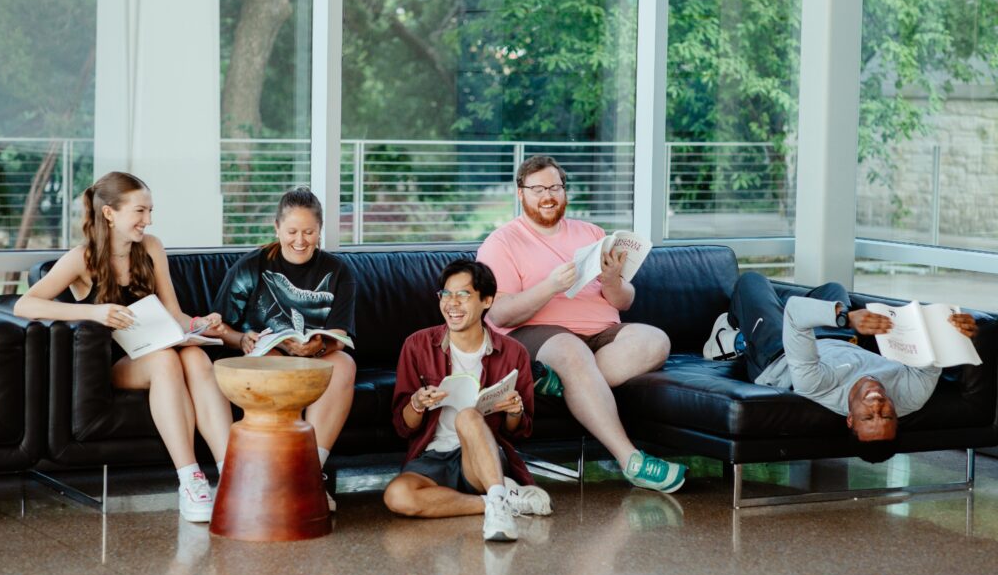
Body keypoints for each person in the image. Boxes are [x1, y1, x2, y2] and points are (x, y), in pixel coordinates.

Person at [14, 171, 232, 523]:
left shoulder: (152, 248)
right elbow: (25, 305)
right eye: (140, 211)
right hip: (121, 362)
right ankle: (190, 480)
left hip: (161, 345)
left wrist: (203, 324)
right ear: (109, 213)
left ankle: (233, 474)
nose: (148, 220)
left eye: (150, 211)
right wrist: (95, 311)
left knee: (195, 357)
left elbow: (174, 314)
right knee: (166, 361)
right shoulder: (82, 259)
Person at [476, 155, 686, 493]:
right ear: (521, 193)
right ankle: (630, 459)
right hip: (537, 336)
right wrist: (551, 286)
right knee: (572, 352)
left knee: (655, 340)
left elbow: (623, 301)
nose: (549, 196)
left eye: (556, 187)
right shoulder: (501, 243)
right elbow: (498, 315)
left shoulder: (592, 233)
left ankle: (561, 382)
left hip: (601, 332)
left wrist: (614, 279)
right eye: (539, 189)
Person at [383, 259, 552, 542]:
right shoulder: (417, 345)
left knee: (468, 416)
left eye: (463, 294)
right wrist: (416, 403)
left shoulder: (513, 353)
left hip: (480, 459)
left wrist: (514, 410)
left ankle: (497, 504)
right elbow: (403, 426)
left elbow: (519, 431)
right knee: (397, 496)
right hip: (433, 456)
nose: (452, 303)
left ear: (487, 300)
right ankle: (497, 501)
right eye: (446, 294)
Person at [213, 187, 356, 510]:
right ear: (276, 228)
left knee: (344, 364)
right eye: (292, 231)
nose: (300, 240)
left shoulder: (338, 271)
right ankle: (280, 475)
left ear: (320, 231)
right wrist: (242, 339)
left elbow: (339, 332)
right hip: (266, 354)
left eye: (309, 231)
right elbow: (219, 328)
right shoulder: (250, 267)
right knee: (273, 361)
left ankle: (308, 472)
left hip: (315, 356)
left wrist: (318, 347)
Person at [727, 271, 979, 447]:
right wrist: (955, 328)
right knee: (833, 289)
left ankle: (734, 338)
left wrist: (845, 318)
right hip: (839, 340)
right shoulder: (911, 396)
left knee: (751, 282)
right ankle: (769, 312)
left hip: (778, 352)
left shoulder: (818, 385)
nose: (878, 407)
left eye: (868, 417)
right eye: (887, 416)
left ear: (850, 418)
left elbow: (795, 313)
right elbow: (931, 350)